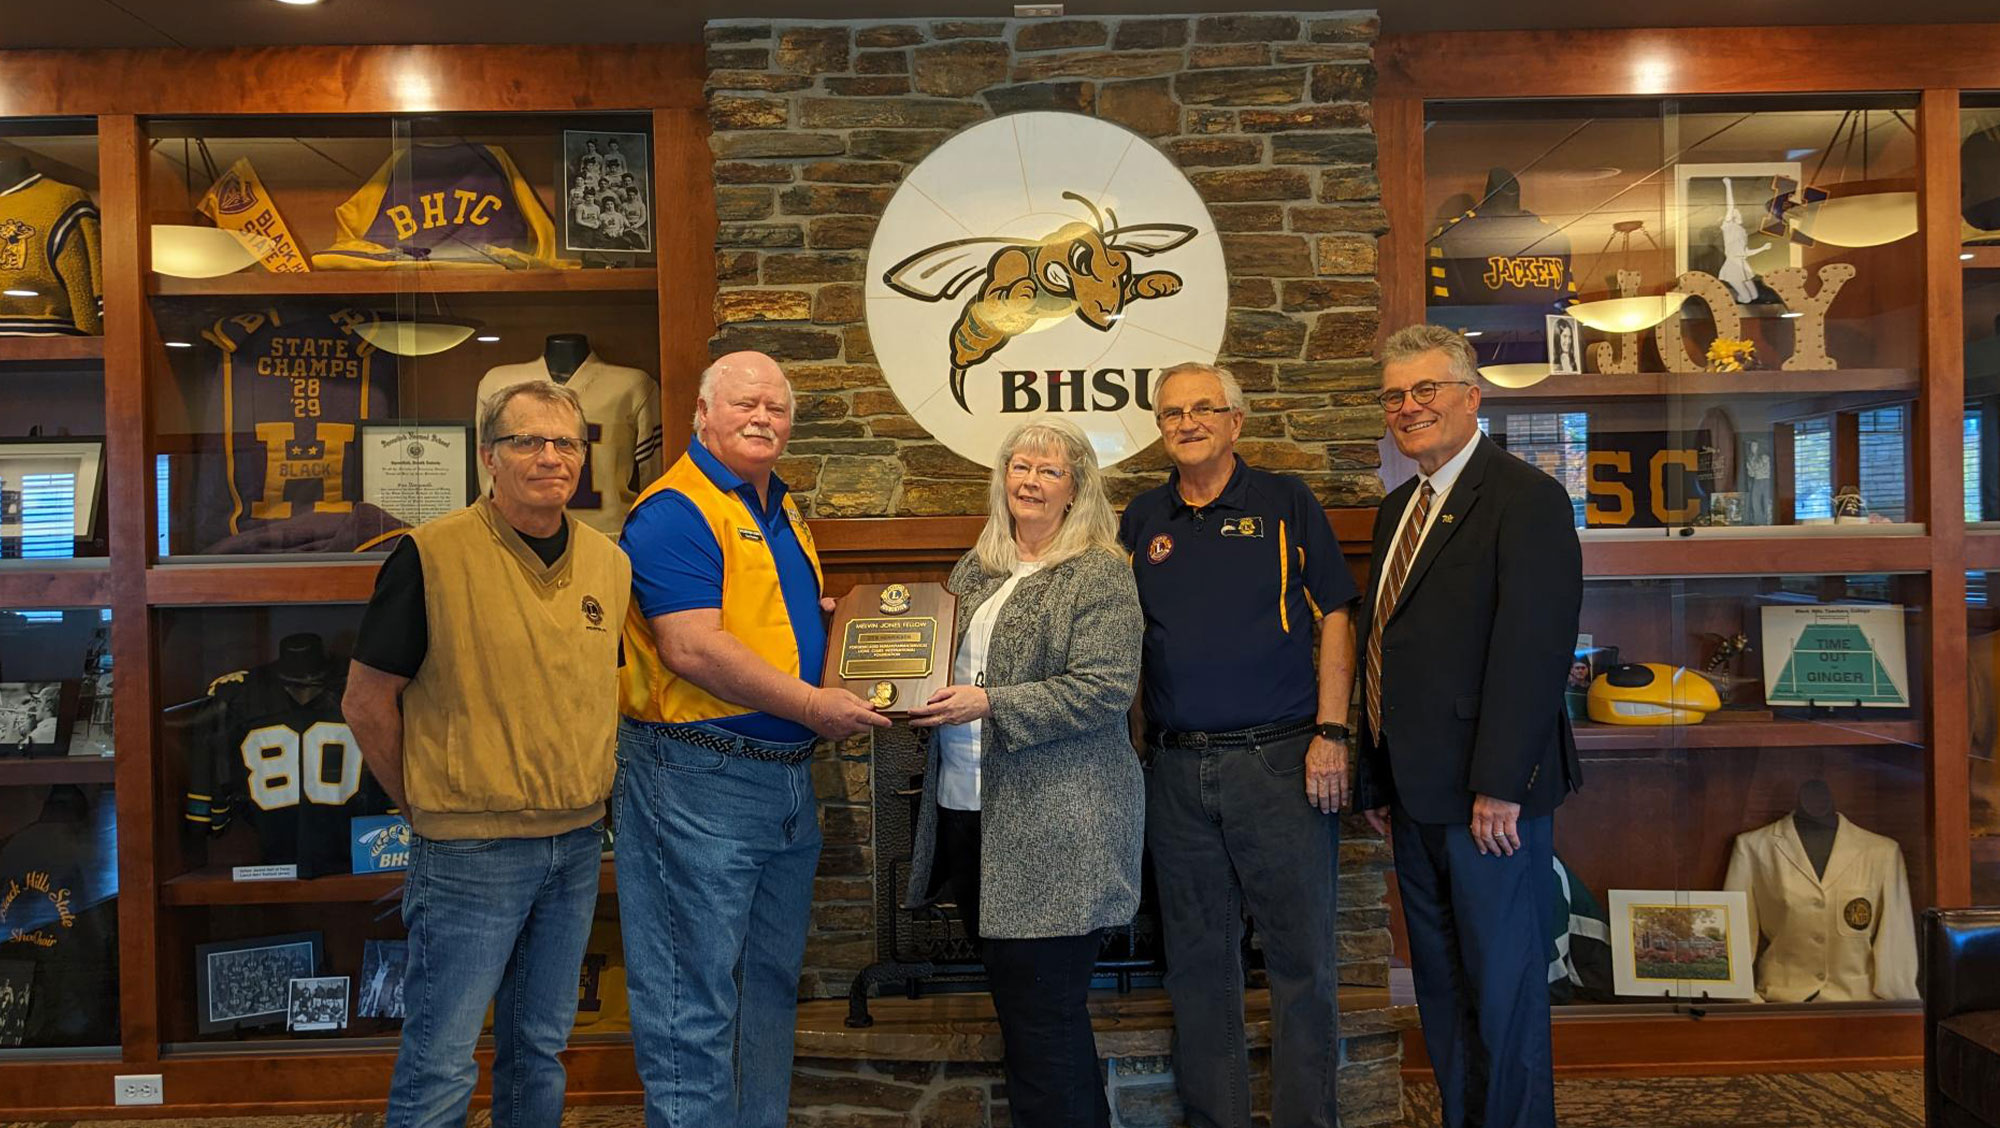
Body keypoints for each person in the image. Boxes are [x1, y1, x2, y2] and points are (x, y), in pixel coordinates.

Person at [343, 380, 631, 1128]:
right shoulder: (429, 557)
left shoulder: (609, 564)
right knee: (442, 1058)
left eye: (566, 443)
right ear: (488, 458)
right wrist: (425, 803)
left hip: (573, 846)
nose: (549, 457)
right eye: (527, 442)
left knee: (541, 1047)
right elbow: (366, 701)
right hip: (469, 855)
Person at [616, 350, 890, 1128]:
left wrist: (841, 631)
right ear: (703, 414)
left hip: (780, 781)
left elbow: (762, 618)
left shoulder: (778, 502)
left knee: (767, 988)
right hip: (699, 777)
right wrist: (811, 701)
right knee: (689, 1000)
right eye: (744, 404)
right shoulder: (675, 510)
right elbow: (692, 648)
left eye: (776, 406)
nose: (762, 417)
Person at [1118, 362, 1358, 1128]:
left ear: (1235, 421)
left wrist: (1331, 733)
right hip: (1177, 771)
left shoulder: (1286, 502)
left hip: (1281, 763)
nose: (1186, 423)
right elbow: (1122, 643)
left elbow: (1337, 618)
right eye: (1170, 414)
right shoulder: (1141, 519)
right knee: (1196, 969)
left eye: (1202, 410)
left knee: (1301, 965)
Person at [1354, 324, 1583, 1128]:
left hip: (1491, 803)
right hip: (1416, 795)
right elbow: (1388, 647)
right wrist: (1377, 775)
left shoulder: (1526, 498)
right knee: (1444, 989)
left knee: (1505, 991)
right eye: (1395, 395)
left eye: (1426, 391)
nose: (1409, 408)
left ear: (1470, 397)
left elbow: (1534, 651)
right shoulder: (1397, 512)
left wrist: (1500, 787)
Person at [905, 418, 1144, 1128]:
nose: (1030, 481)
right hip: (969, 815)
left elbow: (1104, 688)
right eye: (1020, 466)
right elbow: (928, 648)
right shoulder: (977, 566)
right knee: (1025, 1017)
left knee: (1045, 1024)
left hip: (1057, 829)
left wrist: (990, 702)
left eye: (1049, 470)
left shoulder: (1100, 571)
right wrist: (877, 665)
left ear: (1076, 490)